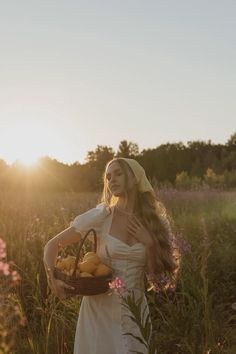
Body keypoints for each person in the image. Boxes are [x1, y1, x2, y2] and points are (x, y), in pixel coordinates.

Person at [43, 157, 178, 354]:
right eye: (108, 176)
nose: (111, 180)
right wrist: (52, 280)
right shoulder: (102, 216)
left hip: (135, 312)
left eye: (118, 174)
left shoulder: (153, 223)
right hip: (99, 310)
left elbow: (155, 279)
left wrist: (149, 244)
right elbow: (52, 245)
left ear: (135, 179)